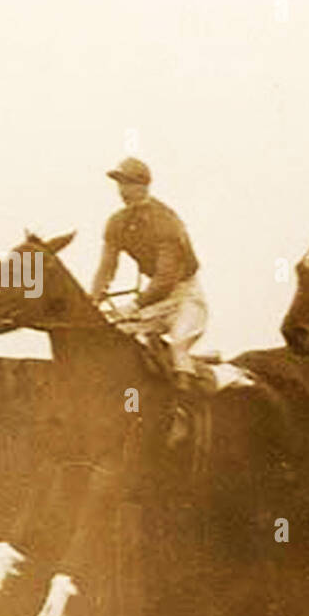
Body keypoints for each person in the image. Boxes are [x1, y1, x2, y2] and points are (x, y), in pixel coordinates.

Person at [90, 157, 206, 445]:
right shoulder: (117, 223)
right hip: (155, 300)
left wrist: (136, 306)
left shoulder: (165, 221)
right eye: (119, 183)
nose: (122, 190)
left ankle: (183, 416)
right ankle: (130, 406)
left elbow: (167, 278)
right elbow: (107, 267)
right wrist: (93, 300)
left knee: (179, 342)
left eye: (128, 183)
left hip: (184, 295)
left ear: (144, 185)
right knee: (120, 338)